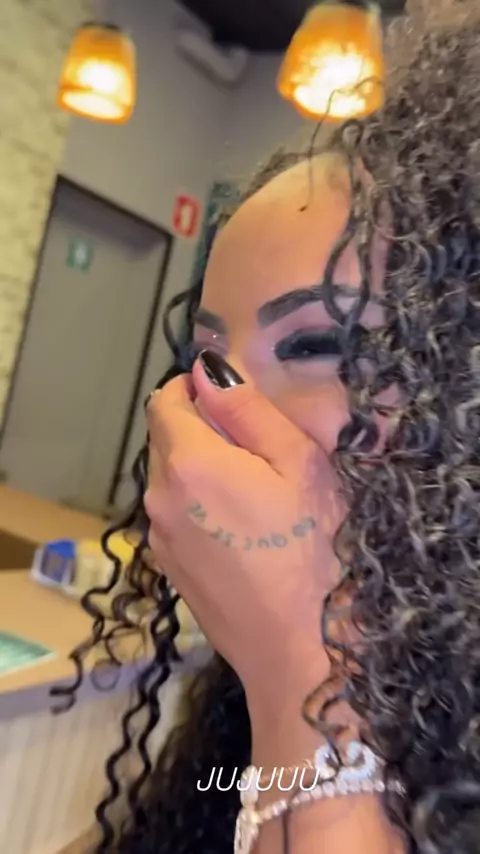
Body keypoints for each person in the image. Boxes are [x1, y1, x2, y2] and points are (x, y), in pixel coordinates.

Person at [60, 1, 480, 852]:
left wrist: (301, 675)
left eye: (319, 344)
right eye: (212, 363)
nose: (226, 421)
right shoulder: (227, 707)